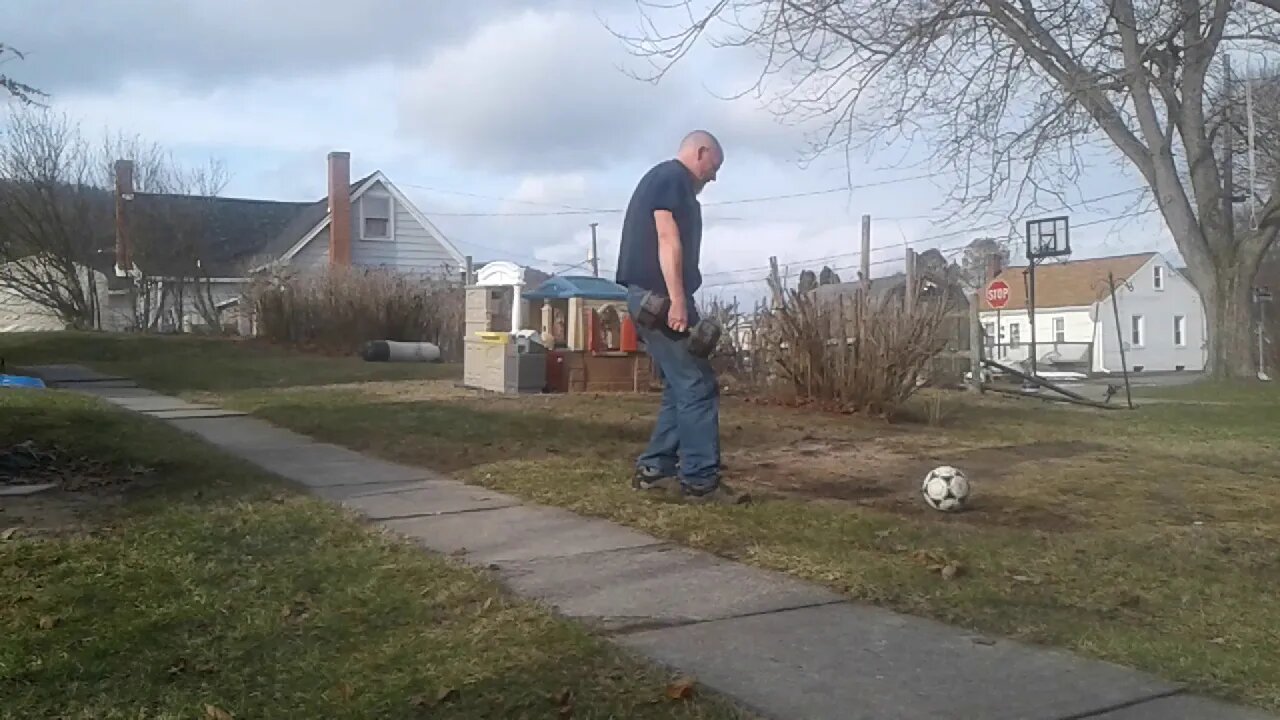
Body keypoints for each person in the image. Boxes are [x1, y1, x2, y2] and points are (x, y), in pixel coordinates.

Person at [615, 130, 749, 505]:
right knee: (697, 386)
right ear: (700, 152)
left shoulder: (666, 181)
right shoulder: (671, 177)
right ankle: (700, 480)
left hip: (655, 298)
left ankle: (655, 469)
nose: (714, 176)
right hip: (658, 299)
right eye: (714, 166)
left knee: (681, 385)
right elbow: (666, 237)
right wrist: (676, 301)